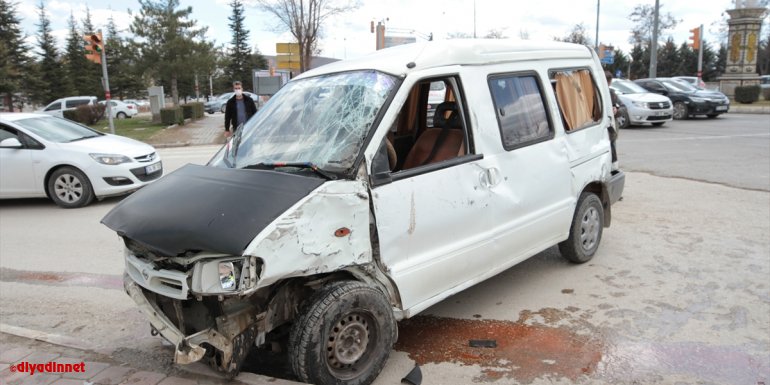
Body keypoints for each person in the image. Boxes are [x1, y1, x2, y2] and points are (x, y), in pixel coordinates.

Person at [605, 70, 621, 170]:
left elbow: (622, 107)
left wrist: (616, 109)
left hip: (611, 125)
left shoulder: (612, 94)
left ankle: (613, 165)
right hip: (600, 124)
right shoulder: (594, 91)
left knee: (612, 143)